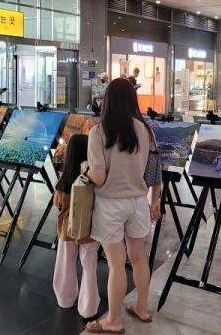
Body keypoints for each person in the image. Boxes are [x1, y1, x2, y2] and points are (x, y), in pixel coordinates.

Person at [85, 78, 161, 334]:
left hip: (110, 205)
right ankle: (142, 308)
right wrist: (156, 198)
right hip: (138, 202)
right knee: (139, 258)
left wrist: (85, 168)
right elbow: (154, 170)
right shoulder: (145, 130)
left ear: (107, 100)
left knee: (117, 265)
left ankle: (113, 320)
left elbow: (99, 177)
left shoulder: (99, 132)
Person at [53, 134, 100, 319]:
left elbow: (57, 204)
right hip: (89, 229)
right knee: (89, 267)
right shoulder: (93, 180)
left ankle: (64, 299)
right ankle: (89, 308)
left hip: (67, 229)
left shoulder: (63, 182)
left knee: (65, 263)